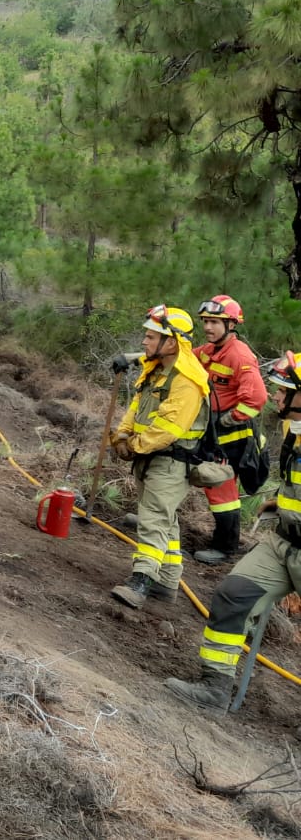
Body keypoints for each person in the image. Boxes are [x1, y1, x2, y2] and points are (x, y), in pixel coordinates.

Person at [164, 352, 301, 711]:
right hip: (283, 543)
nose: (275, 396)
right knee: (233, 595)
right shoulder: (294, 429)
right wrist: (283, 504)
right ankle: (215, 688)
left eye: (284, 390)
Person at [108, 305, 211, 609]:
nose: (144, 341)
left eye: (151, 336)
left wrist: (134, 446)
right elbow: (137, 405)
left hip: (170, 461)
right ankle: (167, 581)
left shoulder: (186, 380)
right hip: (150, 458)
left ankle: (141, 582)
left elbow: (168, 429)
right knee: (166, 519)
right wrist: (123, 435)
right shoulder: (157, 368)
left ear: (172, 342)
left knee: (153, 518)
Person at [191, 295, 268, 564]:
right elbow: (181, 358)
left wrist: (227, 419)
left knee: (221, 490)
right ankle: (156, 519)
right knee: (176, 468)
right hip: (209, 431)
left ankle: (225, 547)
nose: (207, 327)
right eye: (205, 321)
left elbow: (256, 398)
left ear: (231, 324)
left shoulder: (239, 355)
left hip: (230, 438)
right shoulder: (208, 351)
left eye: (214, 322)